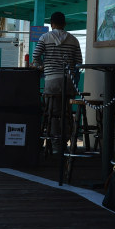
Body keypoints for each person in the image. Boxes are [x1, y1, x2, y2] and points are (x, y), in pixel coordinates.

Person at [32, 11, 82, 153]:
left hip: (52, 81)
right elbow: (79, 62)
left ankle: (55, 145)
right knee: (66, 113)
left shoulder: (45, 37)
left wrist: (42, 66)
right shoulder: (73, 40)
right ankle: (66, 142)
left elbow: (35, 57)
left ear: (51, 24)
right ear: (64, 24)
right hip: (68, 82)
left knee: (52, 113)